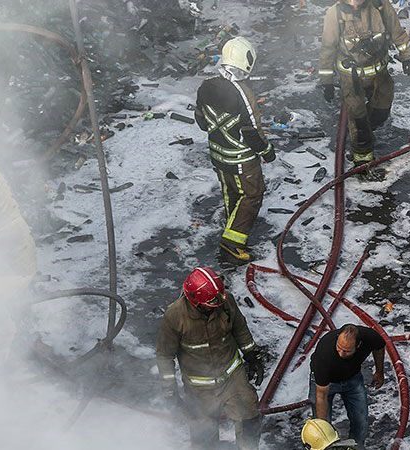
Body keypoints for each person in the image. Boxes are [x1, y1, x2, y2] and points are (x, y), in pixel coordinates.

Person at [156, 266, 266, 449]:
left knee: (249, 417)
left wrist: (251, 354)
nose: (221, 300)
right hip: (200, 389)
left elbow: (239, 327)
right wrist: (170, 391)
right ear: (195, 301)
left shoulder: (225, 301)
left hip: (232, 378)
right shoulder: (175, 316)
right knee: (203, 436)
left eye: (221, 295)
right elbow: (164, 355)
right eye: (214, 300)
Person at [194, 37, 275, 265]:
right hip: (241, 158)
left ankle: (233, 223)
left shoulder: (205, 86)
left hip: (217, 154)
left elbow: (200, 121)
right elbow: (251, 131)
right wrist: (267, 151)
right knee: (252, 194)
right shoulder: (243, 92)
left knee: (231, 192)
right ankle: (232, 244)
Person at [318, 0, 410, 167]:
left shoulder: (380, 6)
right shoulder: (335, 14)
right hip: (351, 78)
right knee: (358, 119)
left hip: (380, 74)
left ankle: (365, 131)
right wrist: (326, 80)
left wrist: (406, 57)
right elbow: (328, 47)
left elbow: (397, 32)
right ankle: (362, 162)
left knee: (382, 112)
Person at [308, 324, 386, 450]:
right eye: (339, 348)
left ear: (358, 345)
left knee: (361, 423)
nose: (341, 353)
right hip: (326, 384)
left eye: (347, 351)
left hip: (352, 379)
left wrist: (379, 371)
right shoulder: (325, 354)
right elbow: (321, 395)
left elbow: (379, 346)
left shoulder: (369, 336)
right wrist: (323, 431)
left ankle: (356, 447)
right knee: (322, 425)